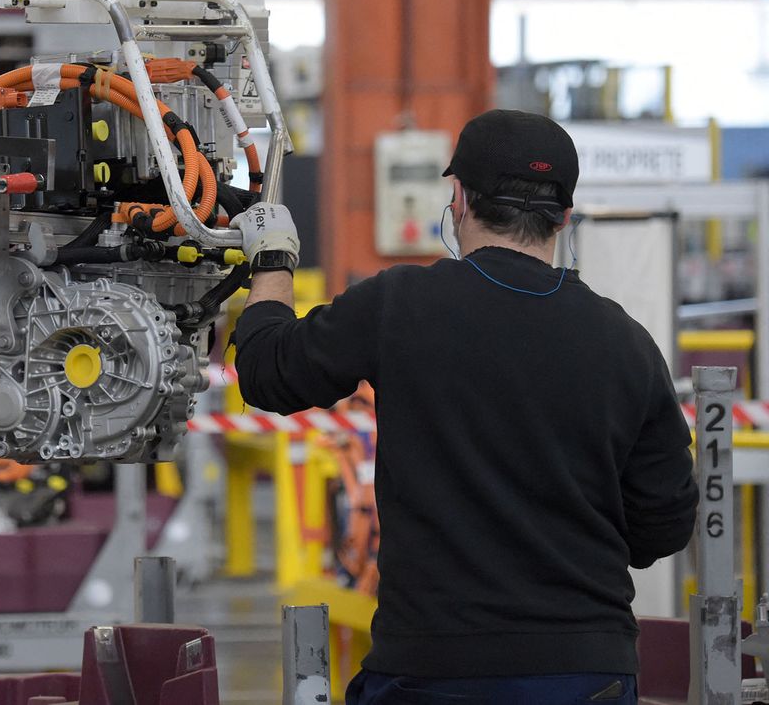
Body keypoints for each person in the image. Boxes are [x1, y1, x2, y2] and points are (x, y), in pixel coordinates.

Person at [230, 109, 698, 705]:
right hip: (587, 672)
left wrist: (271, 259)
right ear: (564, 218)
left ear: (459, 199)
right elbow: (664, 525)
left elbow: (268, 374)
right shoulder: (627, 343)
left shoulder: (400, 305)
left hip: (432, 669)